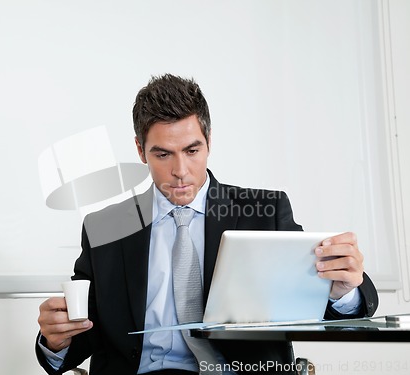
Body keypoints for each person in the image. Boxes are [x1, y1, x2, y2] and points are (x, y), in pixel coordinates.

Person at [36, 74, 378, 375]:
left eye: (192, 150)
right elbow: (82, 333)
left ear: (209, 143)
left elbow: (322, 305)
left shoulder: (263, 213)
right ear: (141, 151)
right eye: (163, 154)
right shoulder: (105, 227)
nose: (181, 170)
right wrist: (55, 341)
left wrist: (342, 291)